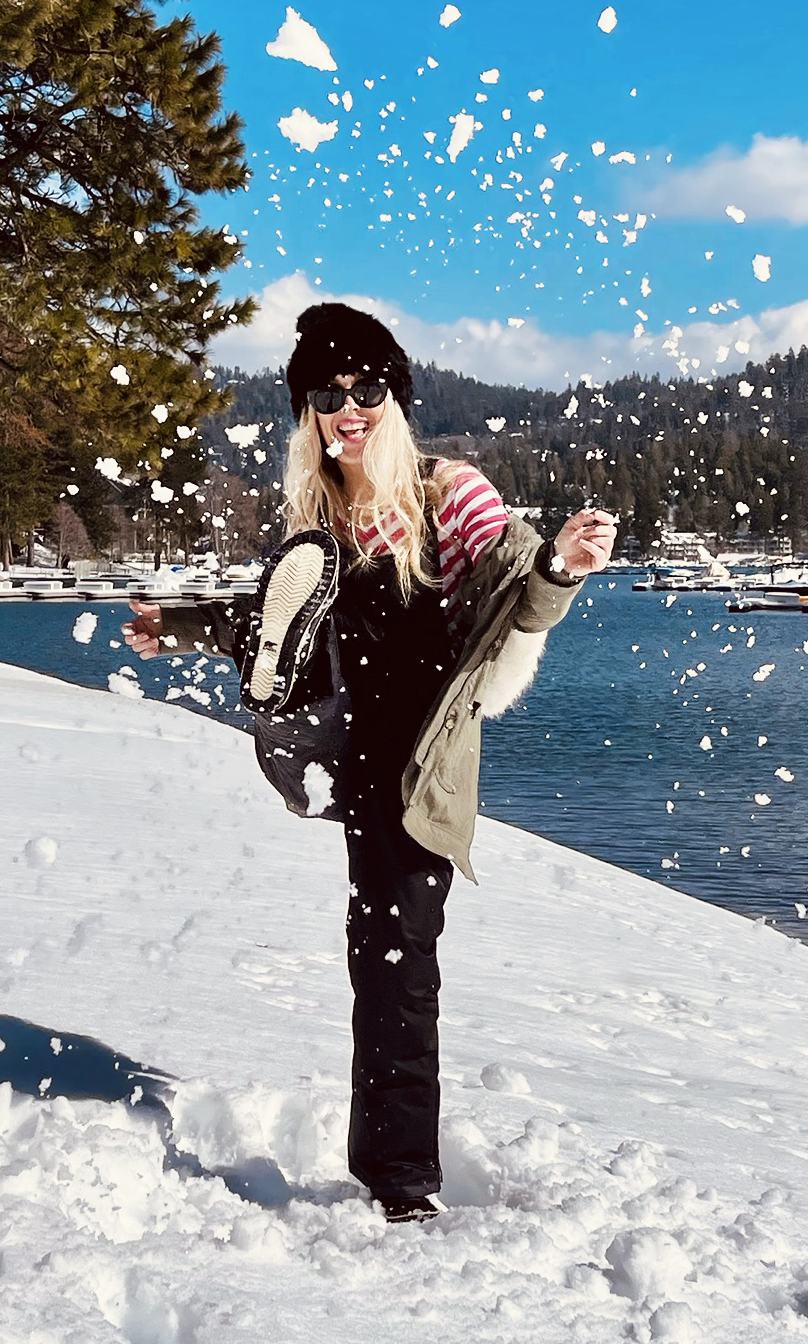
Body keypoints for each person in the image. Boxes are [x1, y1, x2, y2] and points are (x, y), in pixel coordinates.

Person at [124, 302, 615, 1223]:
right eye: (328, 392)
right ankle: (387, 1163)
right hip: (352, 755)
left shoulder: (446, 492)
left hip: (421, 764)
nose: (351, 406)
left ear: (395, 394)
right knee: (375, 956)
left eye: (368, 388)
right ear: (307, 410)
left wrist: (561, 564)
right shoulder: (318, 517)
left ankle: (400, 1181)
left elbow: (517, 595)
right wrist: (178, 628)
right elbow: (278, 622)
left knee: (401, 960)